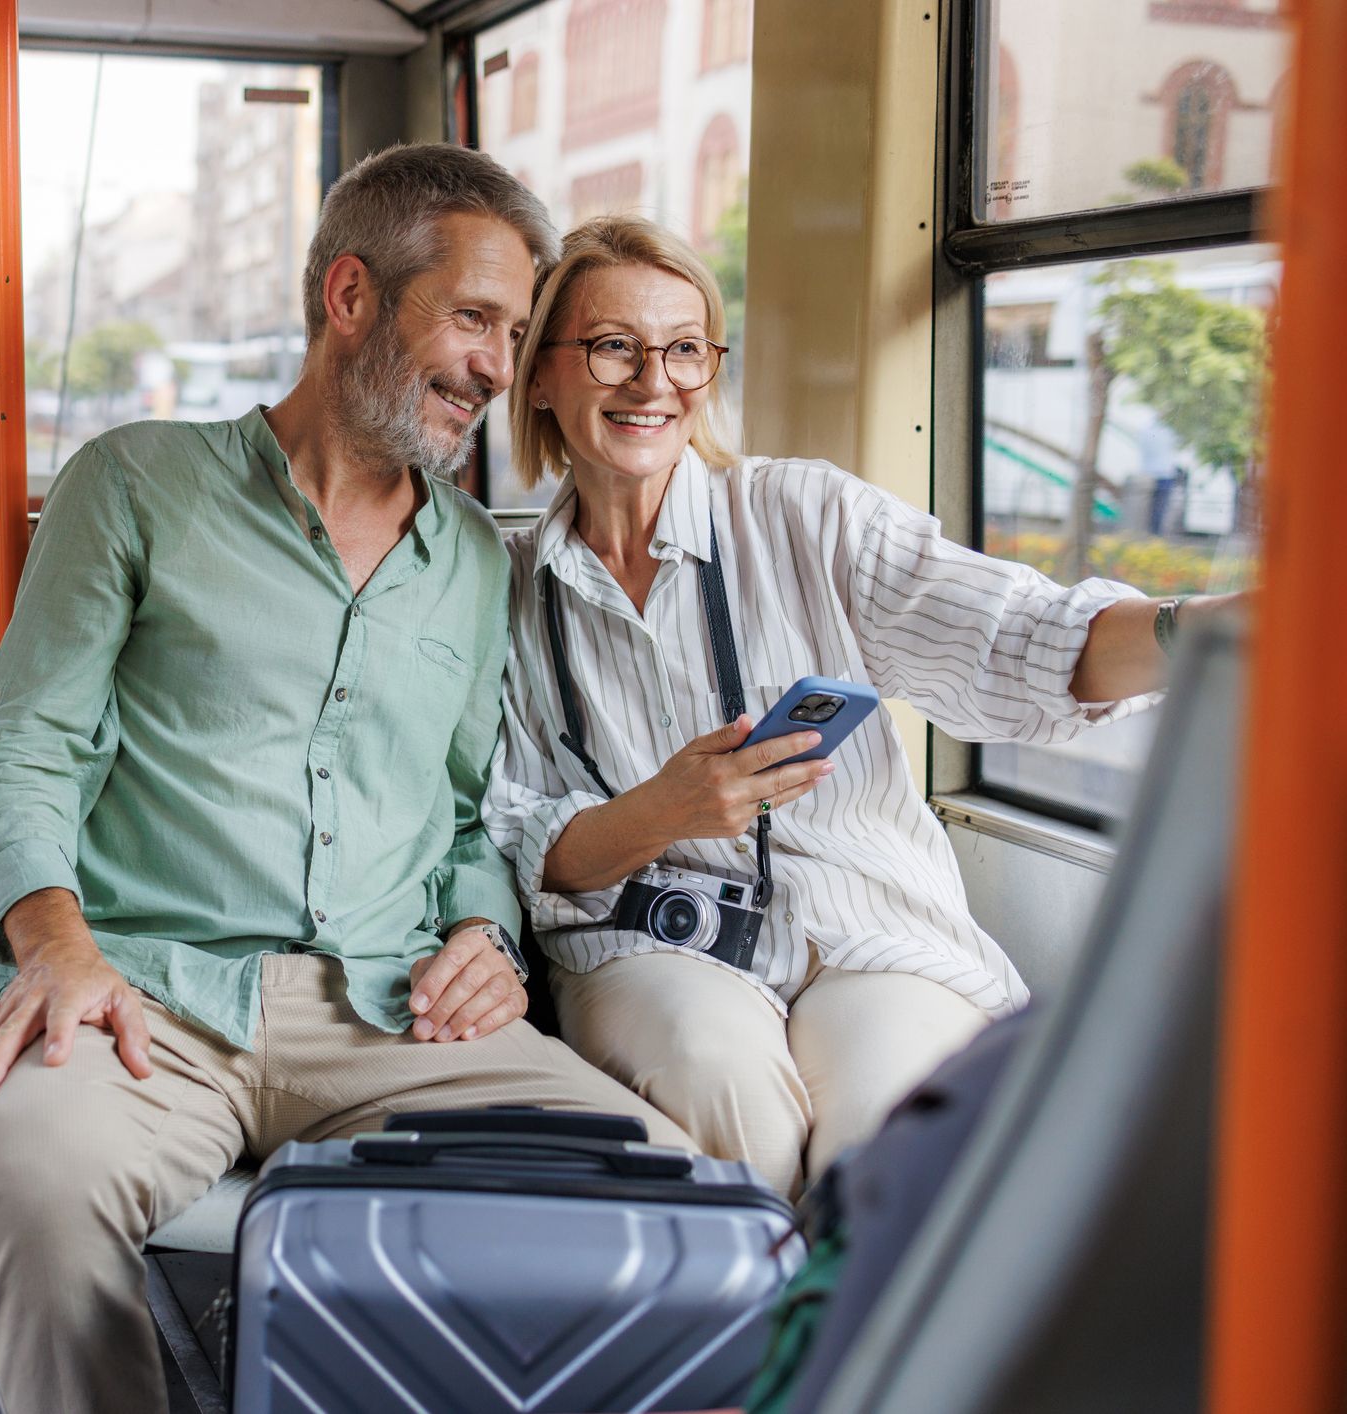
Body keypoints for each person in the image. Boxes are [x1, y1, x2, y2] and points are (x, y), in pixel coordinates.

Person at [0, 147, 694, 1414]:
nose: (497, 369)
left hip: (396, 1019)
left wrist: (481, 930)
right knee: (35, 1180)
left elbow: (463, 814)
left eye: (514, 333)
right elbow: (22, 746)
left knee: (667, 1196)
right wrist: (55, 945)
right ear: (351, 296)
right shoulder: (133, 486)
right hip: (151, 1002)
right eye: (471, 319)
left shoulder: (470, 556)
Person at [483, 214, 1238, 1198]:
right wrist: (661, 813)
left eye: (683, 350)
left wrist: (1204, 628)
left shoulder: (805, 517)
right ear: (539, 373)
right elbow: (514, 832)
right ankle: (755, 1345)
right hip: (642, 941)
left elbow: (1019, 640)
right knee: (732, 1114)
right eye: (611, 346)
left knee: (876, 1157)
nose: (652, 381)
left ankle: (839, 1340)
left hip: (862, 925)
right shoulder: (498, 584)